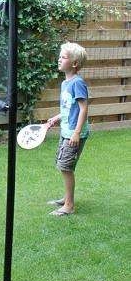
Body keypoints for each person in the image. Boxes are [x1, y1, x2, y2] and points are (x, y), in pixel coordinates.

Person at [46, 42, 89, 216]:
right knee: (63, 165)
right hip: (66, 131)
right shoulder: (65, 83)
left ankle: (69, 206)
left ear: (74, 63)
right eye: (60, 56)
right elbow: (69, 108)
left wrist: (77, 133)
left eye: (63, 57)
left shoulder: (77, 83)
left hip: (74, 133)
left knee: (65, 167)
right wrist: (56, 118)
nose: (59, 59)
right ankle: (66, 198)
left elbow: (84, 109)